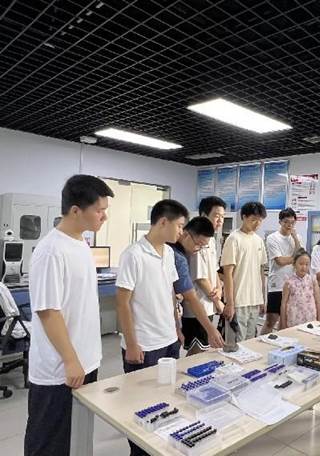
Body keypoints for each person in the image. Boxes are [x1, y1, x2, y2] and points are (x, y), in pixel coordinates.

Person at [24, 175, 113, 456]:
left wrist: (82, 359)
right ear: (75, 210)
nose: (105, 216)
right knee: (49, 441)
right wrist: (71, 360)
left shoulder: (81, 243)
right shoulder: (51, 251)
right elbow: (49, 312)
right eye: (99, 210)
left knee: (77, 437)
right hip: (59, 369)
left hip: (85, 361)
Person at [115, 199, 188, 456]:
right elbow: (122, 302)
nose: (182, 232)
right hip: (144, 345)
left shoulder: (169, 254)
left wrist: (177, 327)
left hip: (168, 341)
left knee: (166, 401)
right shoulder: (133, 255)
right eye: (180, 226)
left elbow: (170, 293)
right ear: (163, 222)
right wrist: (132, 344)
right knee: (142, 406)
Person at [170, 216, 224, 349]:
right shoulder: (177, 255)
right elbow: (192, 295)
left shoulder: (182, 252)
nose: (198, 248)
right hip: (191, 311)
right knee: (197, 349)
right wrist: (211, 329)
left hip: (175, 316)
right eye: (198, 244)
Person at [221, 201, 267, 341]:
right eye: (253, 220)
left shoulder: (259, 240)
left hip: (254, 300)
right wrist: (230, 303)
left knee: (250, 342)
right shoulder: (233, 239)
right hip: (238, 301)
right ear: (244, 217)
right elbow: (227, 273)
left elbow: (261, 272)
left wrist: (262, 299)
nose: (257, 224)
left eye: (260, 220)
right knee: (236, 343)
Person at [261, 207, 302, 334]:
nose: (289, 225)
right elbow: (280, 261)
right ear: (280, 222)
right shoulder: (272, 238)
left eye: (292, 222)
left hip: (293, 284)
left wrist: (295, 239)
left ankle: (283, 343)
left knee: (288, 320)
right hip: (277, 284)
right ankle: (261, 342)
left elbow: (300, 257)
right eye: (286, 222)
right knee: (271, 321)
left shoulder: (297, 237)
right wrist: (295, 259)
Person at [280, 249, 320, 329]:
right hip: (293, 320)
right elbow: (283, 304)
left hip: (310, 319)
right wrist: (283, 324)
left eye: (307, 264)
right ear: (294, 264)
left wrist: (319, 320)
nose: (304, 267)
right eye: (301, 264)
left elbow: (318, 301)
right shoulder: (289, 282)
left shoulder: (313, 281)